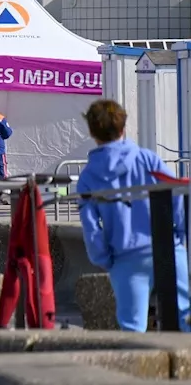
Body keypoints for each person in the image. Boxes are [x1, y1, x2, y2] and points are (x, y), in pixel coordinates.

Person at [77, 99, 191, 332]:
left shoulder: (88, 177)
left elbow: (91, 228)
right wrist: (179, 236)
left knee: (132, 327)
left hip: (125, 257)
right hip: (167, 248)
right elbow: (177, 195)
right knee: (185, 318)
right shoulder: (148, 160)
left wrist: (105, 259)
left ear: (91, 132)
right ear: (123, 128)